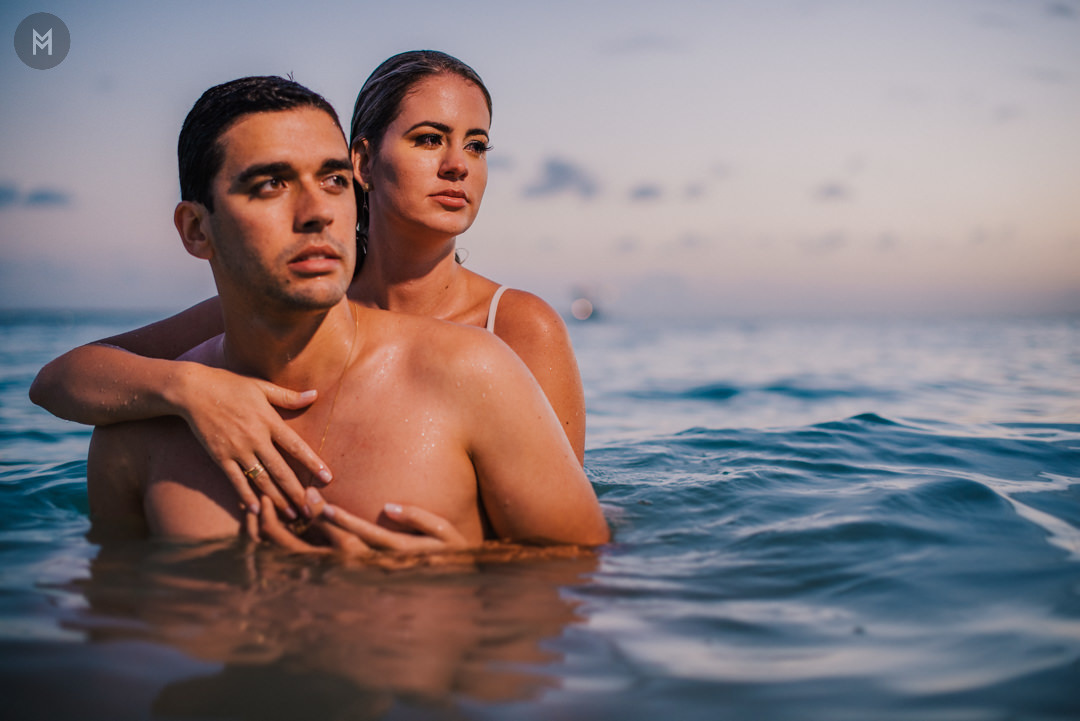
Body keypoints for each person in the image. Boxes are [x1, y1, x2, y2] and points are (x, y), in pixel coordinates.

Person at [30, 51, 585, 521]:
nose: (457, 166)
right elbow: (61, 379)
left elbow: (568, 521)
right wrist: (192, 389)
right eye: (428, 139)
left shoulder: (514, 328)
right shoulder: (300, 305)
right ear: (362, 162)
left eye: (476, 145)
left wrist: (466, 564)